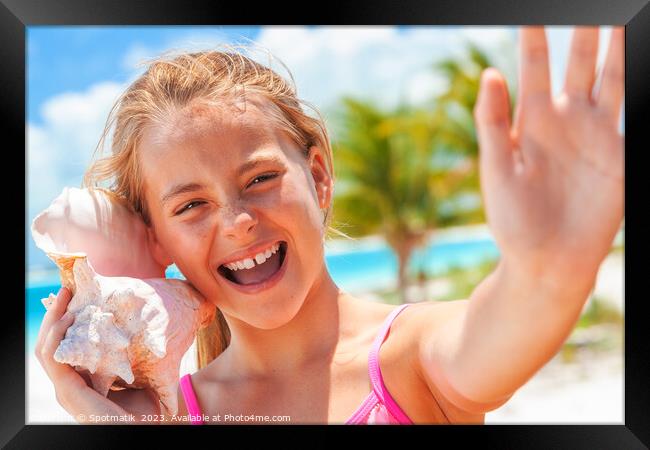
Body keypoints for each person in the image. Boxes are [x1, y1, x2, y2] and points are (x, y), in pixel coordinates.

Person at [34, 26, 624, 424]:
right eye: (191, 205)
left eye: (260, 178)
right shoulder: (172, 413)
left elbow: (499, 331)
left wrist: (547, 274)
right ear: (156, 241)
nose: (239, 222)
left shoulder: (410, 359)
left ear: (318, 177)